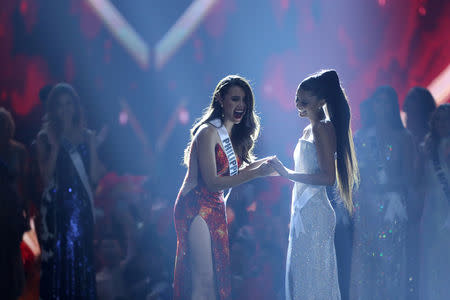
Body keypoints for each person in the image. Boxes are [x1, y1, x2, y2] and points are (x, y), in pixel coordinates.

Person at [173, 75, 275, 300]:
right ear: (220, 99)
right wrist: (257, 173)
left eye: (244, 101)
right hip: (196, 205)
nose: (241, 106)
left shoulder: (233, 136)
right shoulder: (208, 132)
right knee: (203, 280)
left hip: (216, 205)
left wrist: (269, 165)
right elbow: (212, 182)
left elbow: (238, 172)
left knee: (217, 279)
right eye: (235, 99)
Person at [269, 70, 359, 300]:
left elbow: (328, 177)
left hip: (315, 213)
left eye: (305, 100)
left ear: (320, 102)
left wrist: (288, 174)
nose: (299, 104)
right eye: (297, 98)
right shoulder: (309, 129)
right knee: (300, 281)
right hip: (302, 212)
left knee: (314, 283)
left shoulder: (322, 128)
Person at [37, 83, 104, 299]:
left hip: (82, 210)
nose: (65, 110)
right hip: (57, 213)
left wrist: (93, 145)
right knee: (60, 262)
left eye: (68, 104)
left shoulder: (87, 136)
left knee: (82, 261)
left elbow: (93, 178)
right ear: (53, 109)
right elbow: (46, 177)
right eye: (59, 105)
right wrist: (56, 145)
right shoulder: (44, 138)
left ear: (75, 107)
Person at [350, 86, 414, 300]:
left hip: (391, 209)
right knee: (368, 264)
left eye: (387, 102)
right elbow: (355, 177)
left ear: (393, 106)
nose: (382, 107)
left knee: (392, 263)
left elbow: (409, 176)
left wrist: (389, 185)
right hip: (367, 209)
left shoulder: (403, 137)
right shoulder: (361, 138)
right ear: (373, 105)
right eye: (378, 101)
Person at [419, 104, 450, 300]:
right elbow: (418, 182)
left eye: (446, 119)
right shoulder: (427, 147)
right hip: (432, 211)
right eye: (438, 119)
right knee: (432, 264)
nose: (441, 124)